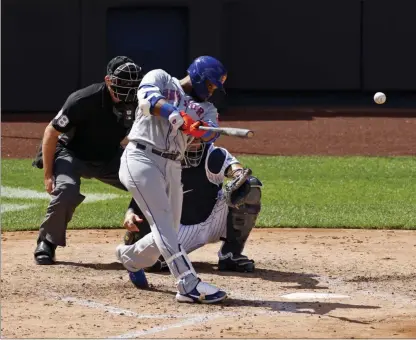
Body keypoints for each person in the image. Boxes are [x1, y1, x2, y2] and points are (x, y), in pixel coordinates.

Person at [115, 56, 229, 304]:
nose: (211, 91)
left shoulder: (206, 108)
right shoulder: (161, 77)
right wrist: (174, 114)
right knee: (164, 225)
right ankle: (188, 284)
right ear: (199, 76)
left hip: (173, 166)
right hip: (141, 157)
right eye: (209, 85)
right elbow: (147, 100)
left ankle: (131, 258)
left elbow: (210, 133)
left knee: (169, 231)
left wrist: (197, 128)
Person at [32, 56, 147, 265]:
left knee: (148, 184)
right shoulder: (83, 99)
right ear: (109, 80)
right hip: (72, 154)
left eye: (133, 85)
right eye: (123, 84)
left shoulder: (141, 101)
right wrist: (48, 175)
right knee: (66, 190)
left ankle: (139, 238)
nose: (129, 90)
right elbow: (51, 132)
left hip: (109, 156)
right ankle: (47, 242)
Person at [122, 140, 262, 273]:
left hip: (215, 219)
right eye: (190, 137)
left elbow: (234, 168)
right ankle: (135, 241)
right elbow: (145, 192)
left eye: (198, 137)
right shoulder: (161, 160)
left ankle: (231, 254)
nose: (195, 141)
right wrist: (131, 212)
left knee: (251, 186)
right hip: (181, 229)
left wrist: (239, 175)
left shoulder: (213, 154)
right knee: (151, 262)